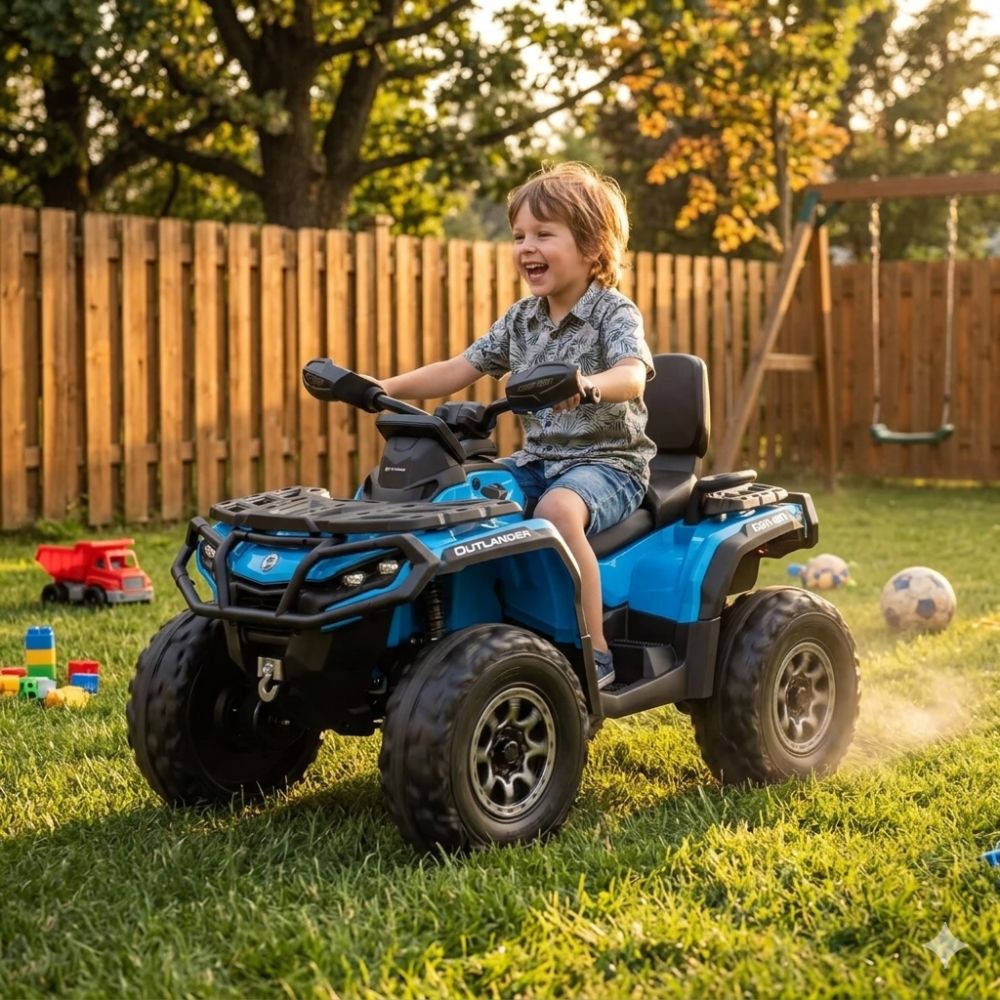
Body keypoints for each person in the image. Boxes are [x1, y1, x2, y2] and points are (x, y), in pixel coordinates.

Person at [378, 161, 655, 689]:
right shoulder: (522, 318)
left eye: (544, 234)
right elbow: (460, 368)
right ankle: (461, 634)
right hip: (537, 461)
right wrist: (385, 386)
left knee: (557, 511)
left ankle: (594, 650)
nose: (526, 246)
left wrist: (590, 384)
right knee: (466, 496)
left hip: (608, 464)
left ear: (593, 247)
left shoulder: (614, 314)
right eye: (519, 235)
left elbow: (633, 376)